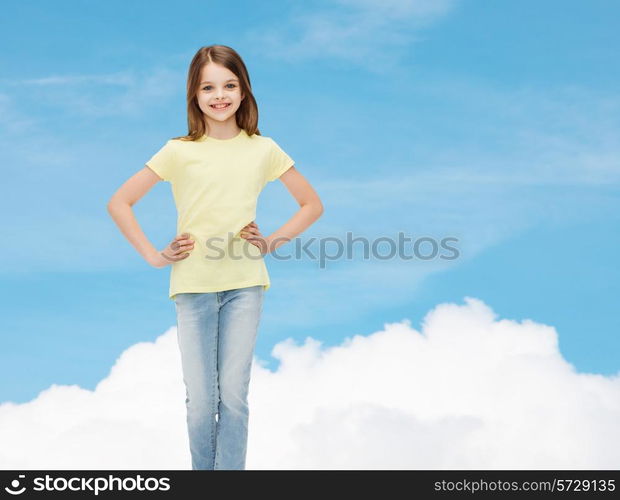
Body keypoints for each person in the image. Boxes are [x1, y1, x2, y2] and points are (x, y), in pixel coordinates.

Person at [106, 44, 324, 470]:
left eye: (229, 85)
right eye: (208, 87)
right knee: (202, 401)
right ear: (194, 94)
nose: (219, 95)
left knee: (235, 396)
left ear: (244, 92)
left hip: (245, 284)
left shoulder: (263, 149)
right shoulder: (177, 151)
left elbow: (312, 205)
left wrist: (271, 242)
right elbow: (120, 202)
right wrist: (155, 256)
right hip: (192, 286)